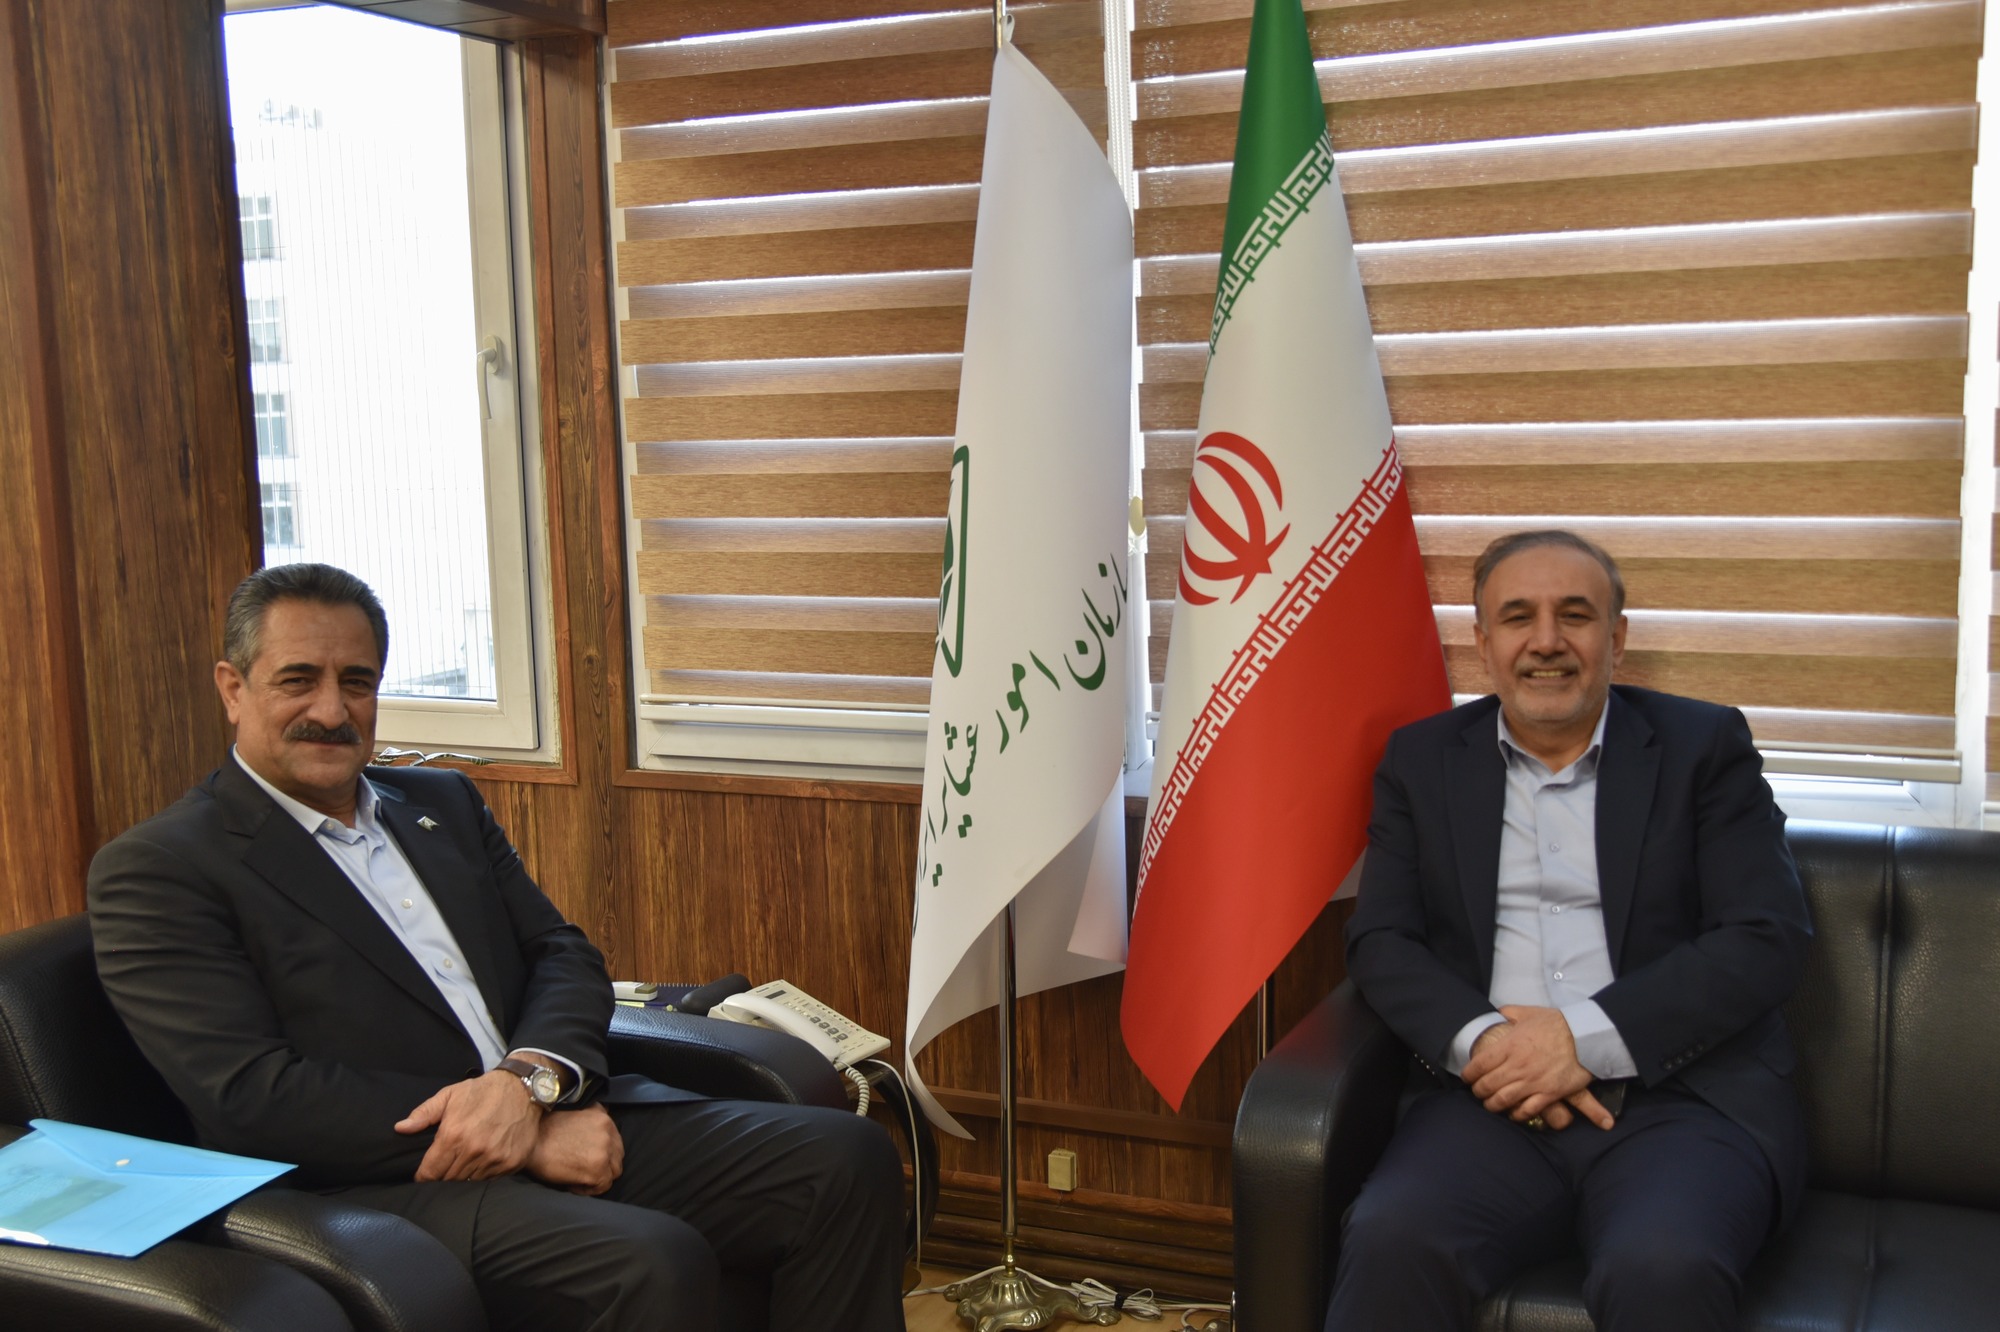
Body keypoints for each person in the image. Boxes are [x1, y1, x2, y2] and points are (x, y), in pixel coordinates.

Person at [88, 563, 906, 1332]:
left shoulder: (440, 803)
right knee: (651, 1259)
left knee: (846, 1157)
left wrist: (531, 1085)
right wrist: (516, 1133)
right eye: (298, 680)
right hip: (375, 1183)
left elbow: (562, 953)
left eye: (357, 682)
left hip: (548, 1106)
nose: (332, 711)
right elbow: (251, 1095)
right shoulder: (161, 867)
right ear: (233, 688)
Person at [1328, 530, 1812, 1332]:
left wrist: (1579, 1041)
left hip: (1678, 1101)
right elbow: (1381, 940)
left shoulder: (1704, 748)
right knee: (1391, 1239)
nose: (1546, 641)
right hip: (1489, 1100)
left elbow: (1766, 936)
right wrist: (1489, 1043)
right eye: (1518, 617)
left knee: (1663, 1266)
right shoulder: (1421, 760)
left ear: (1615, 638)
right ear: (1483, 642)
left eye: (1576, 616)